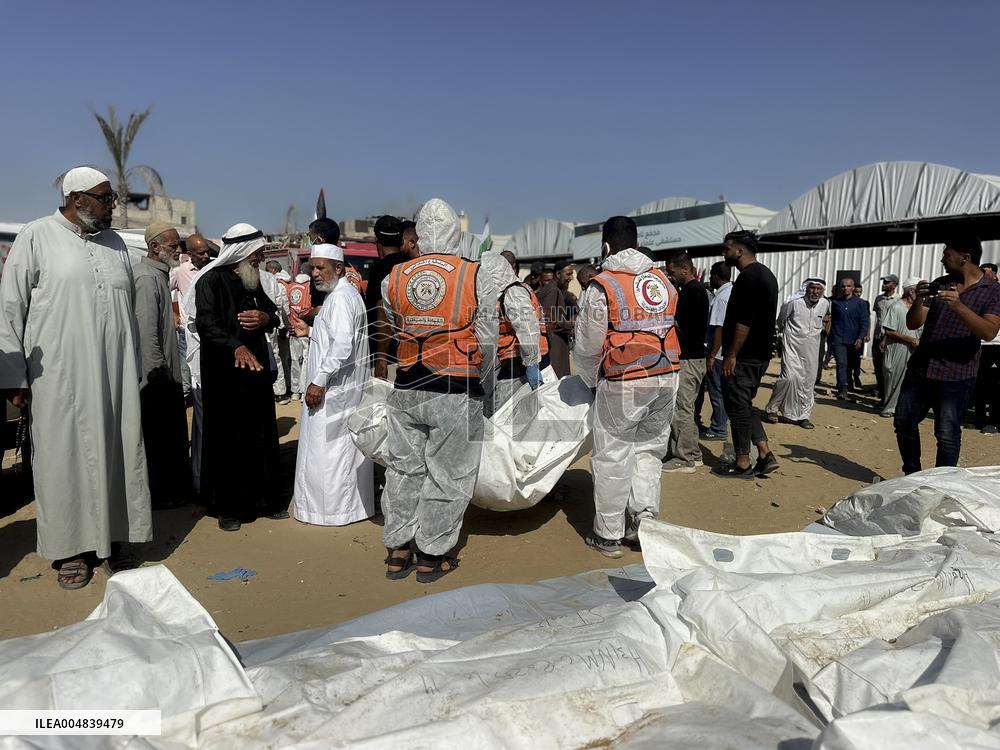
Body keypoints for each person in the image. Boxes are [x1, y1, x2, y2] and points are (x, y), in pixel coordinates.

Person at [0, 167, 151, 589]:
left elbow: (128, 311)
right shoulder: (37, 235)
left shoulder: (116, 243)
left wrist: (133, 365)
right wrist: (15, 376)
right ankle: (71, 550)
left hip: (115, 374)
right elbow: (10, 307)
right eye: (105, 197)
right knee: (64, 459)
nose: (112, 205)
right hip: (60, 377)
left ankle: (116, 539)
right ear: (77, 198)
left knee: (120, 452)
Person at [380, 198, 497, 583]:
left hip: (408, 381)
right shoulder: (473, 274)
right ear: (454, 233)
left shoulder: (393, 277)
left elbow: (397, 324)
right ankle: (432, 552)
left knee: (403, 467)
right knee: (450, 473)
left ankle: (398, 548)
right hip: (455, 385)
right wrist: (485, 377)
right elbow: (488, 336)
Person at [575, 216, 680, 557]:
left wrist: (592, 382)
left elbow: (588, 346)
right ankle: (645, 523)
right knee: (649, 451)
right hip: (667, 375)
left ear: (606, 245)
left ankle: (608, 534)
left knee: (612, 455)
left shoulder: (602, 285)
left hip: (624, 380)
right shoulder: (663, 280)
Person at [191, 223, 287, 531]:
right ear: (242, 253)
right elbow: (206, 324)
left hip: (255, 375)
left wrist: (265, 318)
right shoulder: (210, 281)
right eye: (256, 254)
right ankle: (229, 508)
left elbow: (273, 313)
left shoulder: (252, 280)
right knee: (228, 439)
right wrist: (236, 347)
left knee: (260, 435)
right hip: (224, 376)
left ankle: (266, 500)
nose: (259, 259)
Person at [894, 238, 1000, 474]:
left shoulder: (992, 291)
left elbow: (989, 331)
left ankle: (942, 483)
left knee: (947, 434)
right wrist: (919, 299)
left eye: (947, 254)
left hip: (956, 374)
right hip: (921, 369)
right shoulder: (941, 283)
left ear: (965, 257)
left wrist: (959, 306)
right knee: (903, 422)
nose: (942, 259)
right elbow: (913, 324)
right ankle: (911, 474)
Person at [290, 244, 374, 525]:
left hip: (334, 390)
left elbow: (341, 347)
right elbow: (335, 337)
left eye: (320, 267)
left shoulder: (340, 299)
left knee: (327, 453)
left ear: (338, 268)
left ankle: (330, 512)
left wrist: (318, 381)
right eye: (312, 267)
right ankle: (348, 509)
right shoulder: (345, 295)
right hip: (344, 390)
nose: (313, 273)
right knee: (342, 452)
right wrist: (311, 331)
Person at [711, 230, 779, 479]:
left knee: (737, 407)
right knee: (743, 405)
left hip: (745, 356)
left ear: (739, 251)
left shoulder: (749, 277)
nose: (724, 251)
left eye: (727, 247)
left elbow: (744, 322)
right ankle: (764, 454)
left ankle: (742, 462)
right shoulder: (765, 274)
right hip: (757, 355)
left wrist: (731, 355)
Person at [134, 222, 191, 508]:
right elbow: (147, 336)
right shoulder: (146, 278)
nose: (179, 250)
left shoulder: (158, 275)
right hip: (156, 376)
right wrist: (159, 374)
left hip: (166, 371)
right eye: (173, 246)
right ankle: (159, 494)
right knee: (157, 437)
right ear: (154, 247)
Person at [481, 250, 545, 415]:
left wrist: (531, 363)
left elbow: (527, 328)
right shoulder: (507, 292)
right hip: (512, 359)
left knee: (506, 414)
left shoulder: (513, 293)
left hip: (517, 360)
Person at [663, 253, 709, 472]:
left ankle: (684, 458)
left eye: (672, 272)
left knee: (681, 409)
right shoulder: (693, 291)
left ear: (685, 269)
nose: (670, 277)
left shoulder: (692, 292)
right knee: (686, 409)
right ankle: (694, 453)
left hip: (689, 359)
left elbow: (685, 327)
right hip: (692, 358)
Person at [763, 279, 830, 429]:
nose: (815, 292)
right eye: (812, 288)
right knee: (789, 378)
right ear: (806, 289)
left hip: (812, 350)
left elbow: (826, 319)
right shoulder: (794, 303)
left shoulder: (825, 304)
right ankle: (772, 409)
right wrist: (787, 335)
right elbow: (781, 320)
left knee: (808, 382)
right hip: (792, 348)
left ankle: (803, 416)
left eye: (818, 289)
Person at [363, 215, 413, 380]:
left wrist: (381, 358)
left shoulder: (380, 268)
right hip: (409, 351)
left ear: (378, 242)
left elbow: (381, 312)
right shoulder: (411, 264)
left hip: (388, 355)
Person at [879, 277, 922, 418]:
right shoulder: (897, 307)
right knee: (895, 378)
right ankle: (889, 408)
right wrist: (910, 339)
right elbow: (889, 330)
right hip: (898, 348)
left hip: (916, 349)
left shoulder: (920, 309)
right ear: (911, 291)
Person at [703, 261, 731, 440]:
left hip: (719, 352)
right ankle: (720, 423)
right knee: (723, 391)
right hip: (728, 351)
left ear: (715, 277)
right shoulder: (732, 291)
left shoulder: (721, 298)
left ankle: (718, 428)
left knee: (717, 391)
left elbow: (719, 329)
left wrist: (712, 355)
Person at [827, 277, 869, 399]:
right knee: (841, 363)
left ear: (853, 288)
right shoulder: (835, 303)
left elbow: (864, 322)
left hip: (854, 339)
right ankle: (842, 388)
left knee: (852, 364)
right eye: (843, 286)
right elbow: (831, 319)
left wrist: (861, 337)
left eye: (848, 286)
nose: (846, 288)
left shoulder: (861, 304)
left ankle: (851, 384)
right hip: (838, 338)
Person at [260, 259, 291, 404]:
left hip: (269, 325)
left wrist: (283, 326)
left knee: (274, 357)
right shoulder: (271, 280)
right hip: (268, 325)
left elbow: (281, 306)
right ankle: (278, 392)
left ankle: (279, 392)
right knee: (274, 357)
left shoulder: (270, 280)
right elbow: (283, 306)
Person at [536, 260, 573, 376]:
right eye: (568, 274)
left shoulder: (551, 289)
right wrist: (571, 325)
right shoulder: (553, 290)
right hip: (555, 348)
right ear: (558, 274)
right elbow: (549, 321)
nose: (571, 278)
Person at [976, 263, 1000, 434]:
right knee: (978, 384)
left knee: (996, 385)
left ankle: (995, 421)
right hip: (979, 345)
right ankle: (979, 419)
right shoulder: (977, 293)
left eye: (987, 274)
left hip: (997, 346)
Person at [285, 266, 313, 400]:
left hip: (293, 329)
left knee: (295, 361)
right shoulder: (310, 287)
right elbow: (308, 309)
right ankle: (303, 390)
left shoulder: (290, 287)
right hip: (306, 330)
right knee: (307, 361)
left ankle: (295, 391)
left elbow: (285, 306)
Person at [872, 274, 899, 405]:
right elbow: (878, 317)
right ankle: (883, 397)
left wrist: (887, 336)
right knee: (878, 369)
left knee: (888, 369)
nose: (883, 284)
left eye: (887, 282)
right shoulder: (879, 299)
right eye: (883, 282)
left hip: (890, 340)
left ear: (894, 285)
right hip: (878, 337)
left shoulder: (898, 300)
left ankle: (890, 400)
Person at [848, 282, 870, 389]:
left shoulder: (864, 303)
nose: (858, 294)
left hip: (859, 335)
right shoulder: (846, 303)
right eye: (856, 292)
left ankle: (856, 377)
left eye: (860, 292)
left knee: (857, 359)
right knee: (847, 360)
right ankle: (849, 381)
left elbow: (867, 320)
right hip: (848, 336)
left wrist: (867, 334)